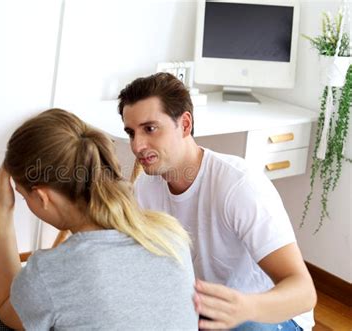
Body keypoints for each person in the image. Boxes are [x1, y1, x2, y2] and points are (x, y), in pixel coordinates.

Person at [0, 108, 198, 330]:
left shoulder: (51, 271)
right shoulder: (170, 233)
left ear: (42, 197)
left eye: (22, 195)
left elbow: (7, 307)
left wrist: (3, 210)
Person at [118, 72, 317, 331]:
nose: (137, 145)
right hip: (204, 313)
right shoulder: (146, 187)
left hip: (268, 317)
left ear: (185, 124)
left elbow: (304, 293)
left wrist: (244, 307)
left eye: (150, 128)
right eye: (131, 133)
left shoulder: (238, 185)